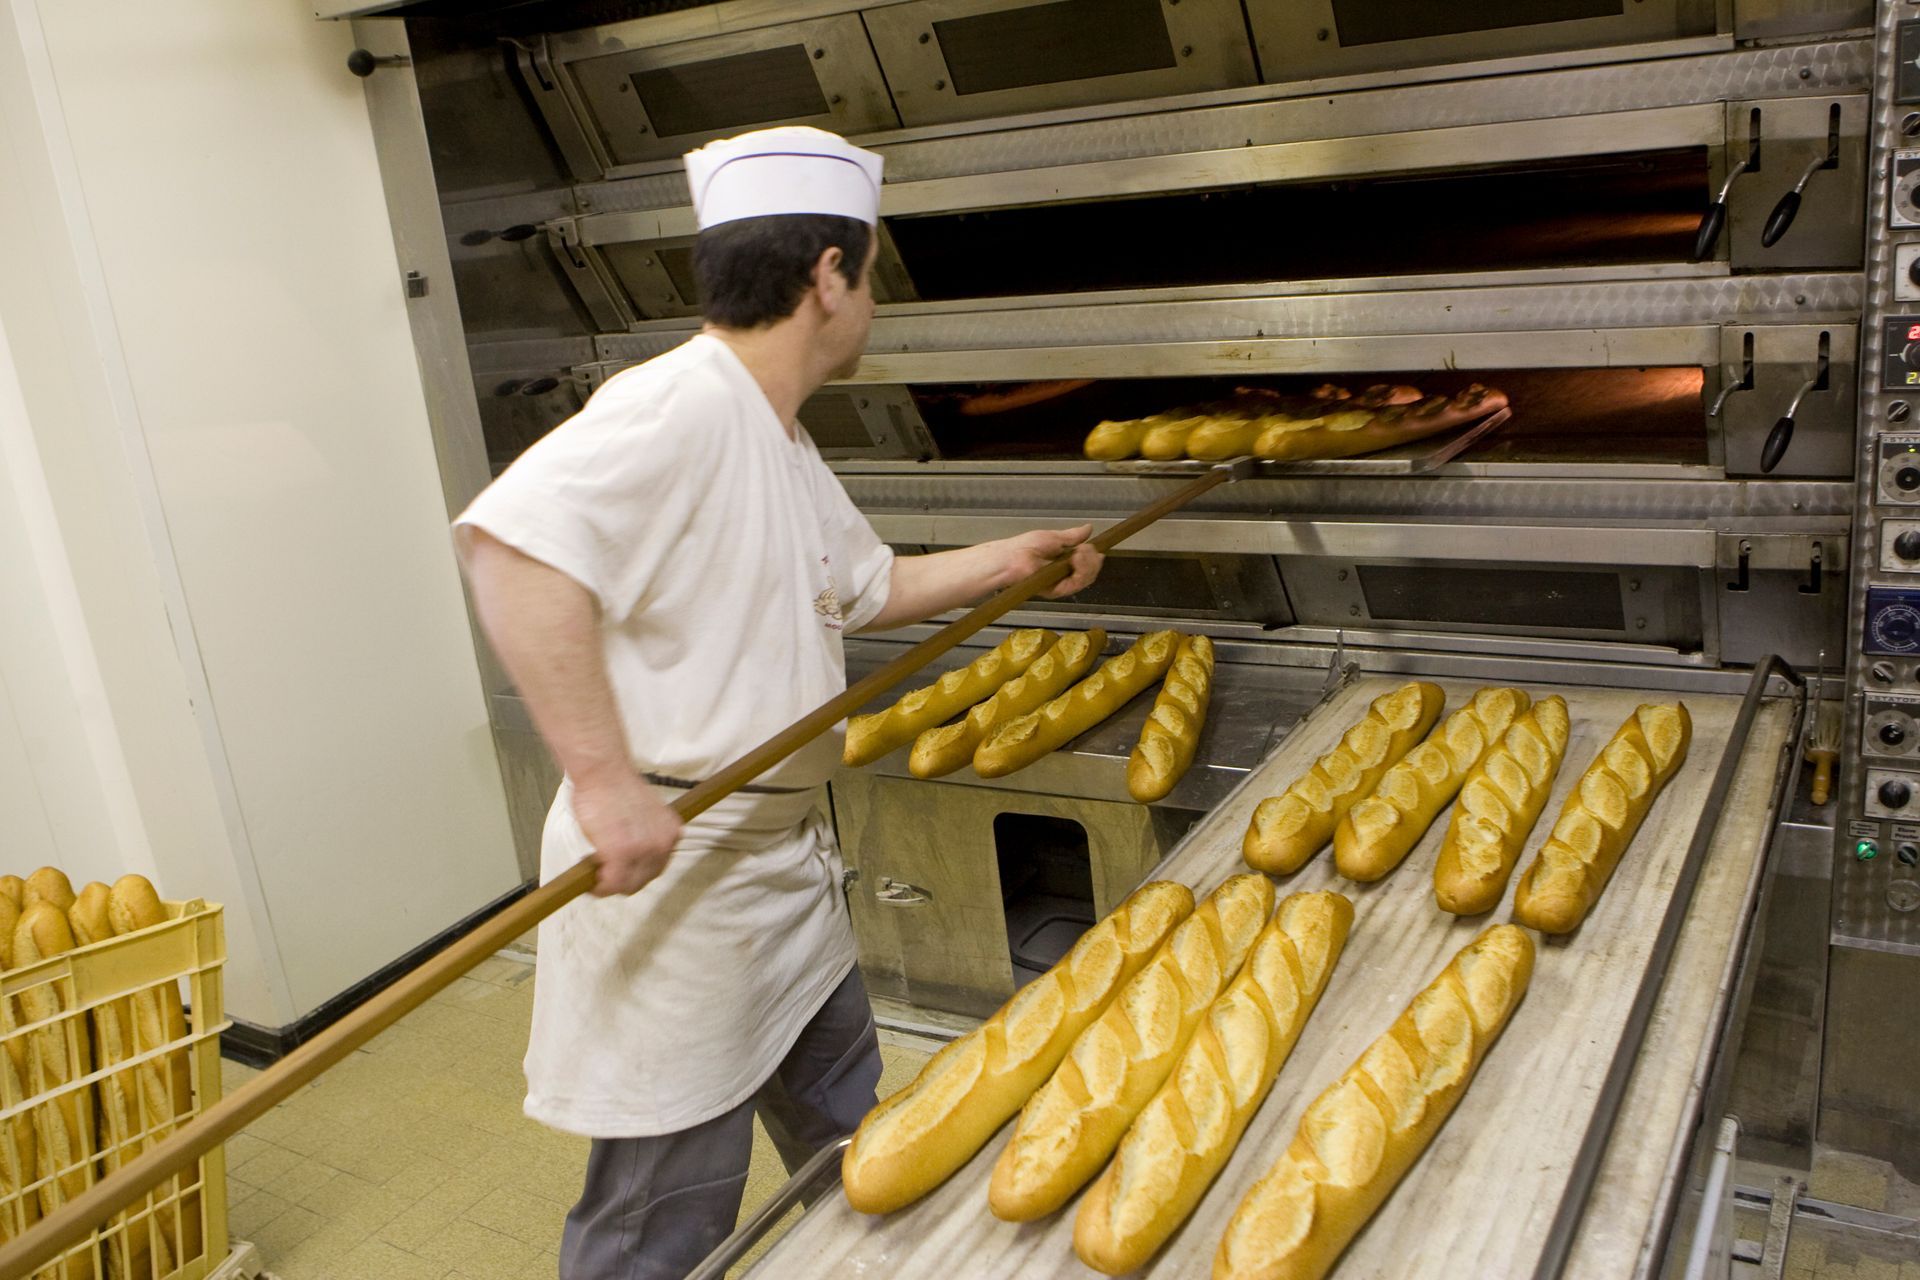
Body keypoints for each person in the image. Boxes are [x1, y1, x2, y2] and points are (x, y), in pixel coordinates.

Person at [453, 126, 1104, 1280]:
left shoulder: (779, 436)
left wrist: (1016, 559)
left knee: (862, 1138)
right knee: (661, 1219)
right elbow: (514, 551)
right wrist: (606, 786)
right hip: (681, 881)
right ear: (826, 277)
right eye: (869, 279)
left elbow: (870, 586)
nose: (872, 309)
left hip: (779, 875)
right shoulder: (682, 405)